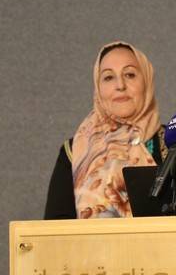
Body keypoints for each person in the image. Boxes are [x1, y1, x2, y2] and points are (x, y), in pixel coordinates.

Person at [44, 41, 166, 219]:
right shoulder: (75, 151)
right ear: (98, 88)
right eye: (108, 77)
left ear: (147, 80)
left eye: (130, 74)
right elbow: (55, 229)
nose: (120, 85)